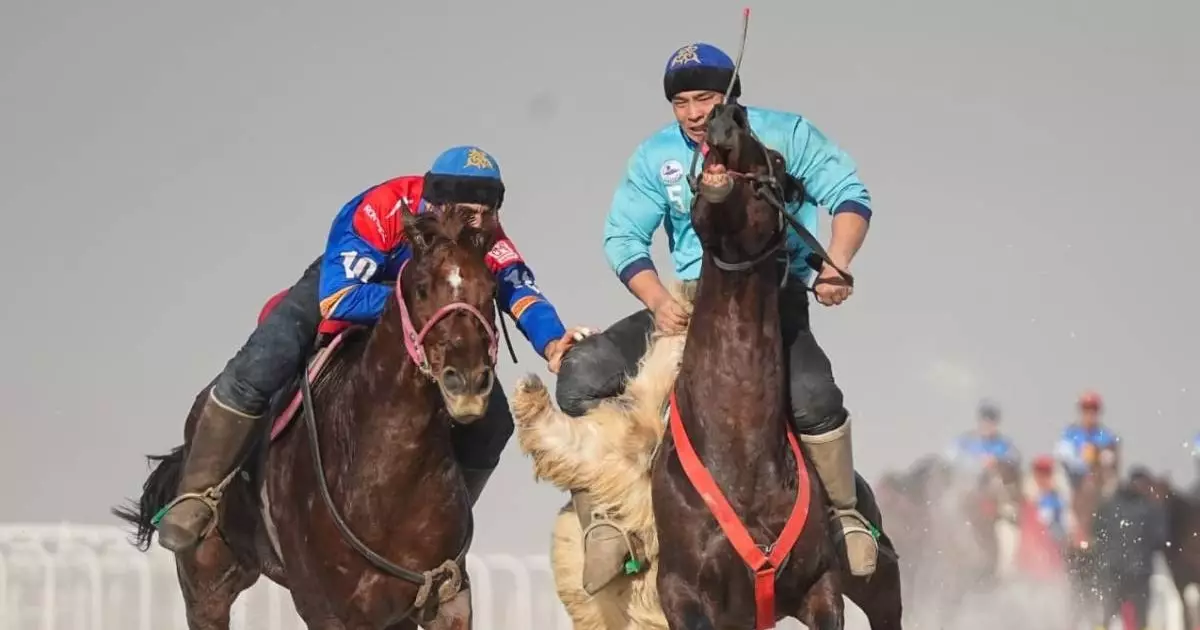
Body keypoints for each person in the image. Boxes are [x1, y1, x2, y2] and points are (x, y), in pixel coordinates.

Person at [554, 41, 877, 592]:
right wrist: (659, 300)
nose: (694, 113)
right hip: (688, 300)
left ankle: (845, 516)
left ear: (730, 96)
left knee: (816, 396)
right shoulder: (655, 156)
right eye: (681, 103)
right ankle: (606, 520)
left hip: (771, 299)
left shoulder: (787, 134)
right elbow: (622, 236)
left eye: (704, 98)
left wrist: (836, 264)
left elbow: (848, 193)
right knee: (580, 376)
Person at [154, 145, 588, 553]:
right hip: (350, 289)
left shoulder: (484, 234)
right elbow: (339, 300)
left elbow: (517, 287)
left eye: (486, 214)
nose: (477, 225)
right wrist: (421, 302)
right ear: (436, 207)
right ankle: (198, 493)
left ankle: (449, 524)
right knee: (262, 361)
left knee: (493, 421)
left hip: (431, 306)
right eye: (466, 214)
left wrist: (552, 342)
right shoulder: (380, 209)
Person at [1092, 466, 1167, 630]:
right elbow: (1160, 538)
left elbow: (1097, 531)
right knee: (1140, 617)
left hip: (1112, 570)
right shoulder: (1151, 509)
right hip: (1138, 573)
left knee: (1106, 614)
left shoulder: (1110, 505)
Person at [1053, 390, 1120, 489]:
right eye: (1086, 410)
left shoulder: (1105, 435)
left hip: (1097, 478)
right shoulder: (1070, 433)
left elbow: (1109, 458)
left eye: (1093, 410)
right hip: (1073, 478)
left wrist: (1097, 456)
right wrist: (1084, 461)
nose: (1090, 414)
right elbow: (1063, 456)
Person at [945, 400, 1022, 473]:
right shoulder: (965, 441)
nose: (988, 426)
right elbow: (950, 457)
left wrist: (997, 462)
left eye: (991, 423)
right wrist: (976, 462)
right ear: (979, 422)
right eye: (985, 422)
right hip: (969, 480)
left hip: (995, 481)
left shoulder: (1004, 444)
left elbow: (1015, 459)